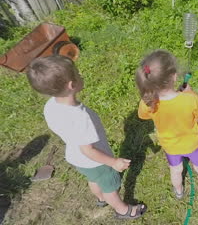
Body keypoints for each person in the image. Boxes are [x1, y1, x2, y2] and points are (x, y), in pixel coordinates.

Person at [26, 55, 147, 219]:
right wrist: (113, 162)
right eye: (78, 73)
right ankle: (123, 210)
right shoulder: (81, 118)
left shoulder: (51, 106)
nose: (80, 75)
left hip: (76, 157)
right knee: (109, 185)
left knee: (93, 179)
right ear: (72, 85)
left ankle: (100, 198)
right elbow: (88, 150)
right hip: (95, 160)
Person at [135, 49, 198, 200]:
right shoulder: (189, 99)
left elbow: (142, 115)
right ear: (174, 76)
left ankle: (179, 192)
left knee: (176, 170)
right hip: (193, 144)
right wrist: (190, 93)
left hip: (170, 146)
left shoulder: (148, 102)